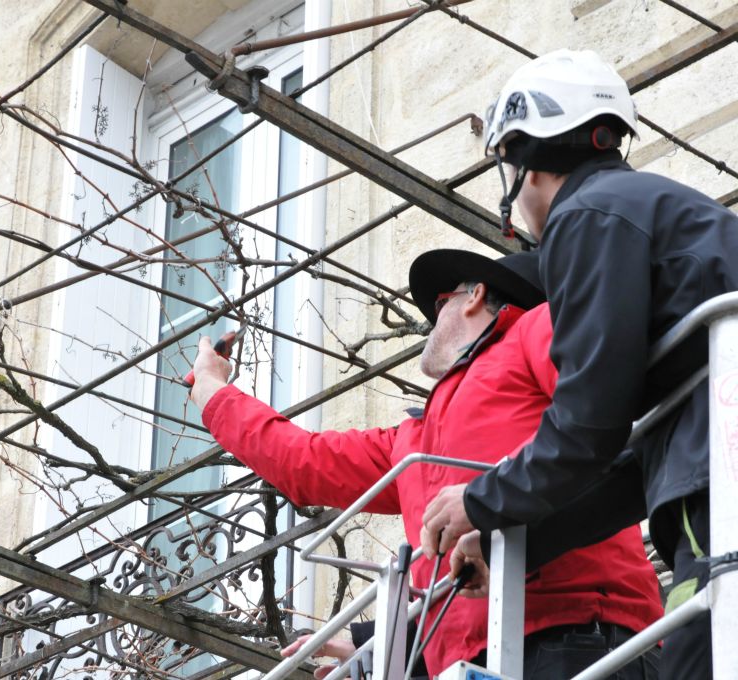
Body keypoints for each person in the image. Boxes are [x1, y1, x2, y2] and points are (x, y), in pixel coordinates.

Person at [189, 248, 662, 679]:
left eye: (438, 304)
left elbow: (610, 409)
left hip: (578, 637)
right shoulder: (414, 437)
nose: (431, 325)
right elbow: (306, 462)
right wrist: (215, 394)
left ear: (476, 296)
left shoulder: (534, 330)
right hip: (471, 661)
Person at [419, 49, 738, 678]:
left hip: (723, 489)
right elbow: (629, 462)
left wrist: (482, 500)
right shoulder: (646, 213)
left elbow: (588, 425)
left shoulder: (586, 219)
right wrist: (516, 542)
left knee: (705, 652)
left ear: (522, 160)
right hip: (713, 467)